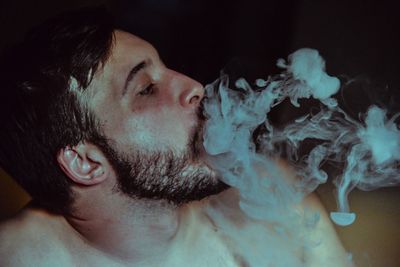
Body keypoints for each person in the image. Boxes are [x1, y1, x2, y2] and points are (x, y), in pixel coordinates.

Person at [0, 7, 353, 267]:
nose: (194, 87)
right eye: (147, 89)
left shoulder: (274, 204)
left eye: (164, 66)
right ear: (85, 162)